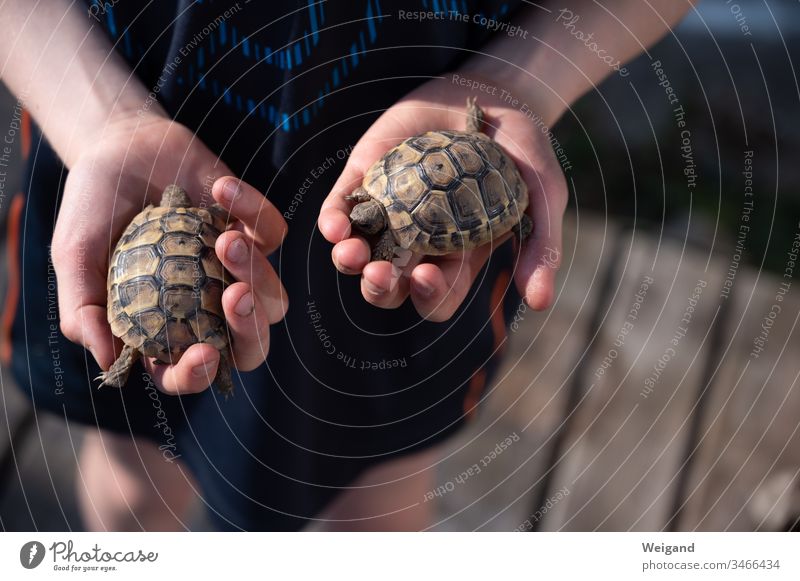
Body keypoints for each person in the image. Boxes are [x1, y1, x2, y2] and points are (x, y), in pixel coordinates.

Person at [0, 1, 694, 531]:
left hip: (427, 102)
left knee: (380, 491)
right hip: (113, 117)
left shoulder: (380, 233)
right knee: (134, 465)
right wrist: (100, 123)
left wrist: (525, 76)